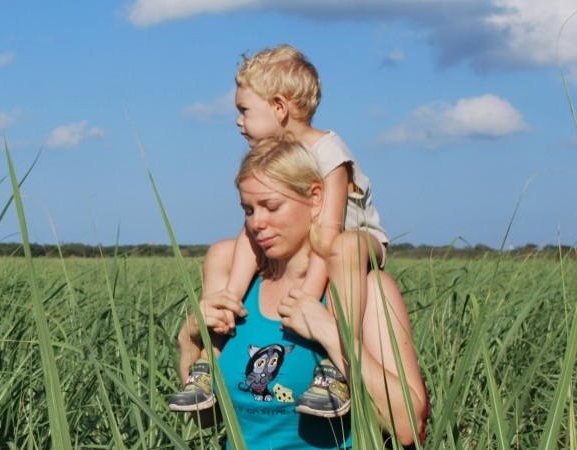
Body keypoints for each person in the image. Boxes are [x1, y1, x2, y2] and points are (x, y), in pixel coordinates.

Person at [168, 44, 389, 419]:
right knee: (223, 251)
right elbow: (248, 233)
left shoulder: (328, 153)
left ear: (279, 107)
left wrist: (306, 298)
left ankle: (334, 368)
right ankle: (209, 357)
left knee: (346, 251)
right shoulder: (275, 157)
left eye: (244, 110)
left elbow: (329, 232)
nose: (238, 121)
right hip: (318, 242)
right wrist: (229, 298)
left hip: (355, 239)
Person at [173, 136, 428, 448]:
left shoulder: (365, 289)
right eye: (248, 210)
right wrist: (189, 341)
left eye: (271, 206)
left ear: (316, 198)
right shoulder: (239, 294)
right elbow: (206, 419)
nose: (257, 223)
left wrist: (331, 332)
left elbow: (407, 426)